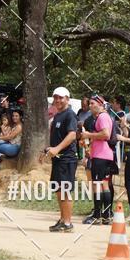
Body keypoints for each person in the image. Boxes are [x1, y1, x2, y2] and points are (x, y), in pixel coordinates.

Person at [39, 87, 78, 232]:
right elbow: (58, 138)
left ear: (67, 99)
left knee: (65, 191)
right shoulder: (57, 115)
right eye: (55, 97)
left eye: (61, 97)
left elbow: (72, 135)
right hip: (58, 159)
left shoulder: (70, 114)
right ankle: (62, 220)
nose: (58, 100)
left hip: (67, 159)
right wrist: (48, 150)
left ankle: (67, 223)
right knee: (59, 190)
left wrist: (57, 149)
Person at [80, 94, 115, 225]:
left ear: (100, 104)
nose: (90, 106)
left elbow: (106, 134)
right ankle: (106, 215)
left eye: (92, 103)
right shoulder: (104, 116)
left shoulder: (102, 117)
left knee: (97, 184)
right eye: (89, 103)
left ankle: (97, 215)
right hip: (104, 155)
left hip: (101, 155)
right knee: (104, 184)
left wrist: (88, 134)